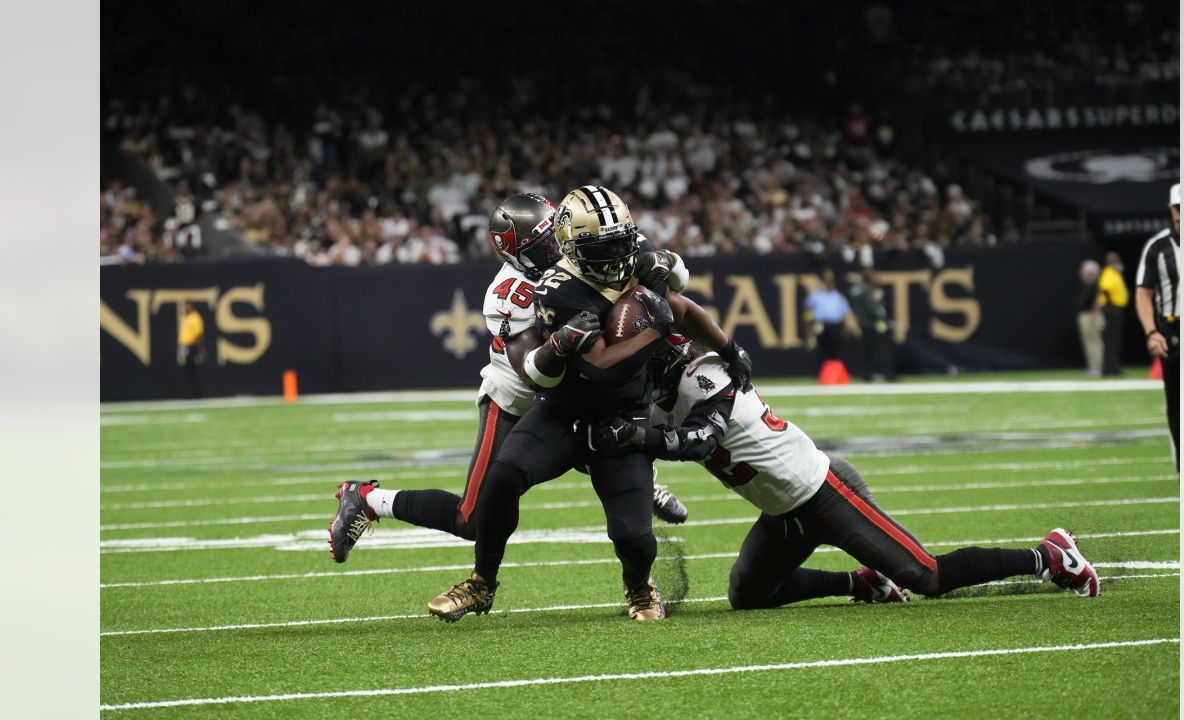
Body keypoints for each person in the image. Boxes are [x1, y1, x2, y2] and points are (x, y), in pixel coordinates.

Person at [426, 185, 753, 622]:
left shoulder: (634, 251)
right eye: (603, 247)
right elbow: (559, 371)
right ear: (570, 248)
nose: (619, 255)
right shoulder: (556, 290)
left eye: (623, 241)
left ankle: (638, 585)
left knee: (634, 535)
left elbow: (681, 302)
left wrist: (728, 346)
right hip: (564, 408)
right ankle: (482, 582)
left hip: (621, 413)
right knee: (502, 477)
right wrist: (563, 344)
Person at [590, 341, 1102, 608]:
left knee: (928, 577)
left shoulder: (707, 377)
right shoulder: (660, 398)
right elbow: (643, 445)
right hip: (782, 511)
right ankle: (862, 583)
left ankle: (1051, 556)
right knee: (748, 596)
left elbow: (697, 440)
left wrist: (638, 439)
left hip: (826, 492)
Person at [326, 193, 691, 565]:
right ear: (518, 256)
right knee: (473, 519)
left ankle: (643, 486)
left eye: (554, 236)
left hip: (580, 391)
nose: (554, 250)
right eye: (541, 246)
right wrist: (562, 341)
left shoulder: (591, 244)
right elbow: (536, 377)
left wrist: (664, 262)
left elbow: (678, 278)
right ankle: (368, 499)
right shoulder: (512, 294)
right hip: (519, 398)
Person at [1135, 182, 1181, 470]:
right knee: (1177, 404)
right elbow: (1143, 292)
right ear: (1170, 209)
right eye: (1179, 208)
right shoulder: (1158, 247)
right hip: (1173, 330)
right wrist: (1151, 331)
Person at [803, 269, 855, 371]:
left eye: (831, 280)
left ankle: (834, 374)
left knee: (835, 352)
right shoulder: (815, 296)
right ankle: (821, 375)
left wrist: (846, 327)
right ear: (822, 281)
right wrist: (809, 327)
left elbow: (844, 314)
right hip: (820, 325)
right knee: (822, 351)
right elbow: (807, 312)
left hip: (835, 326)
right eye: (826, 280)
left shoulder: (838, 297)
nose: (829, 282)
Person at [848, 268, 894, 381]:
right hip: (871, 324)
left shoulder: (856, 288)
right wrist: (880, 315)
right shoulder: (866, 289)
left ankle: (867, 374)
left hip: (861, 323)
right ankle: (884, 374)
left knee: (867, 351)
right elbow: (871, 308)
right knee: (879, 350)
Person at [1098, 251, 1129, 376]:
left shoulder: (1116, 274)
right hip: (1111, 311)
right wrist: (1111, 307)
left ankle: (1114, 367)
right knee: (1111, 340)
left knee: (1115, 340)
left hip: (1117, 309)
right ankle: (1109, 369)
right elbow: (1105, 289)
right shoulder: (1108, 273)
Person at [1077, 259, 1104, 377]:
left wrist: (1094, 313)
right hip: (1086, 315)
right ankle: (1092, 366)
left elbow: (1099, 300)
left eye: (1083, 271)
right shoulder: (1088, 285)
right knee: (1089, 342)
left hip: (1092, 316)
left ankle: (1098, 366)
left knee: (1095, 341)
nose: (1081, 274)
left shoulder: (1097, 284)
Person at [177, 302, 205, 398]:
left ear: (192, 306)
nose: (185, 308)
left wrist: (200, 351)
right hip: (185, 346)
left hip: (192, 346)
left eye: (187, 306)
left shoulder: (195, 318)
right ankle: (190, 394)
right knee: (187, 371)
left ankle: (196, 395)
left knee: (192, 371)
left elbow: (199, 336)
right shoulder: (186, 318)